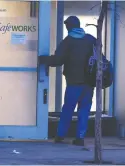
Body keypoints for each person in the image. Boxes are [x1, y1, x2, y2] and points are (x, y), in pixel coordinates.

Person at [39, 16, 96, 146]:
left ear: (69, 26)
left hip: (74, 82)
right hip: (89, 83)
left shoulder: (68, 41)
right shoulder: (91, 40)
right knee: (84, 110)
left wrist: (44, 60)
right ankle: (80, 137)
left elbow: (58, 60)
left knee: (68, 109)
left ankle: (60, 135)